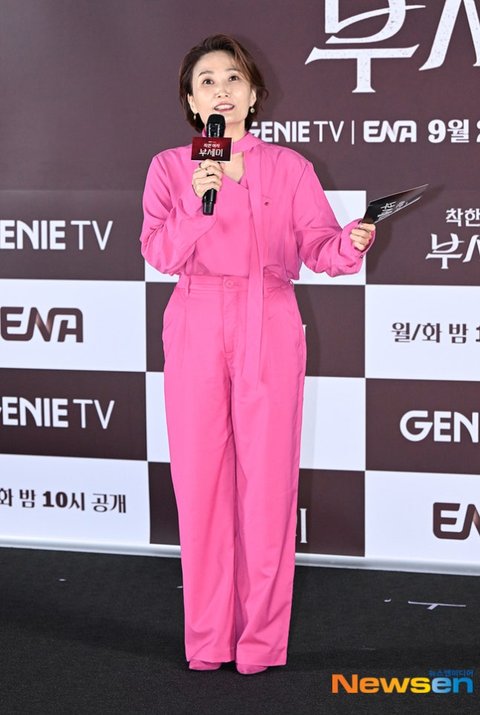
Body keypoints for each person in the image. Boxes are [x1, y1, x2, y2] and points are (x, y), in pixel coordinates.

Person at [139, 34, 375, 676]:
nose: (221, 90)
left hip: (268, 315)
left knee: (269, 487)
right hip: (195, 316)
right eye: (207, 81)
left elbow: (319, 248)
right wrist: (198, 200)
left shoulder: (290, 167)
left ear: (252, 94)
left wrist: (350, 243)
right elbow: (159, 253)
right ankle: (208, 640)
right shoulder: (170, 167)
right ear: (192, 101)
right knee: (200, 487)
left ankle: (261, 644)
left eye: (233, 79)